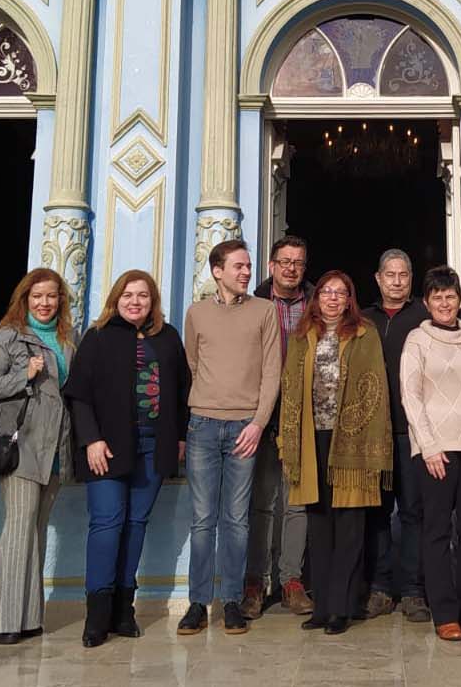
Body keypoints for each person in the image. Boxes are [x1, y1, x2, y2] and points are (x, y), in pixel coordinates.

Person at [66, 270, 189, 647]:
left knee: (136, 523)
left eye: (143, 296)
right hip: (106, 446)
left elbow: (184, 389)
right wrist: (91, 440)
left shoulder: (167, 338)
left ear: (153, 303)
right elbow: (79, 395)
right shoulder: (98, 337)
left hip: (154, 445)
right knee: (107, 523)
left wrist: (180, 437)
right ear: (116, 299)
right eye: (128, 295)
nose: (135, 301)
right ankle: (97, 616)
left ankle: (124, 610)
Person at [278, 270, 392, 636]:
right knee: (319, 524)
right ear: (317, 298)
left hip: (352, 443)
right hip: (312, 440)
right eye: (326, 291)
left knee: (350, 528)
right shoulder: (301, 337)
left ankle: (343, 607)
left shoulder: (365, 333)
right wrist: (287, 440)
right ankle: (322, 606)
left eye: (339, 293)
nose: (331, 298)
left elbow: (376, 388)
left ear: (349, 300)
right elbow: (290, 387)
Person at [178, 239, 281, 636]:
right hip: (203, 425)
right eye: (238, 266)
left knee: (236, 520)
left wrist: (257, 423)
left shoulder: (265, 311)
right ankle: (198, 604)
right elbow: (193, 363)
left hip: (245, 428)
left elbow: (272, 371)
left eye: (249, 266)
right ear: (217, 271)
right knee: (202, 520)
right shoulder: (197, 314)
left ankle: (233, 601)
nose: (245, 272)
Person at [401, 266, 461, 642]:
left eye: (451, 296)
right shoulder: (417, 340)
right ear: (427, 302)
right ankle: (444, 612)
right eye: (437, 297)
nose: (445, 303)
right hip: (436, 451)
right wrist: (427, 446)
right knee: (438, 531)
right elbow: (411, 396)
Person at [0, 268, 75, 645]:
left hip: (54, 448)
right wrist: (23, 374)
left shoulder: (68, 340)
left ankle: (30, 617)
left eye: (51, 296)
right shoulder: (8, 338)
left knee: (35, 532)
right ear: (25, 299)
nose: (45, 303)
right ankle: (2, 621)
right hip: (22, 446)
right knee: (18, 528)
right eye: (37, 296)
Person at [362, 248, 431, 621]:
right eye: (390, 274)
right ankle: (380, 588)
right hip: (374, 431)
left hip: (413, 432)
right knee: (376, 512)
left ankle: (414, 591)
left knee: (413, 512)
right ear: (378, 278)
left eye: (403, 274)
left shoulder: (424, 317)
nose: (397, 281)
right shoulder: (364, 319)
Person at [248, 235, 315, 616]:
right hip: (261, 416)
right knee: (260, 502)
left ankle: (291, 580)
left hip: (302, 416)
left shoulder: (316, 306)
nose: (291, 268)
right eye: (285, 261)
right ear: (271, 266)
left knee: (297, 503)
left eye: (299, 262)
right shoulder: (254, 305)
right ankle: (255, 582)